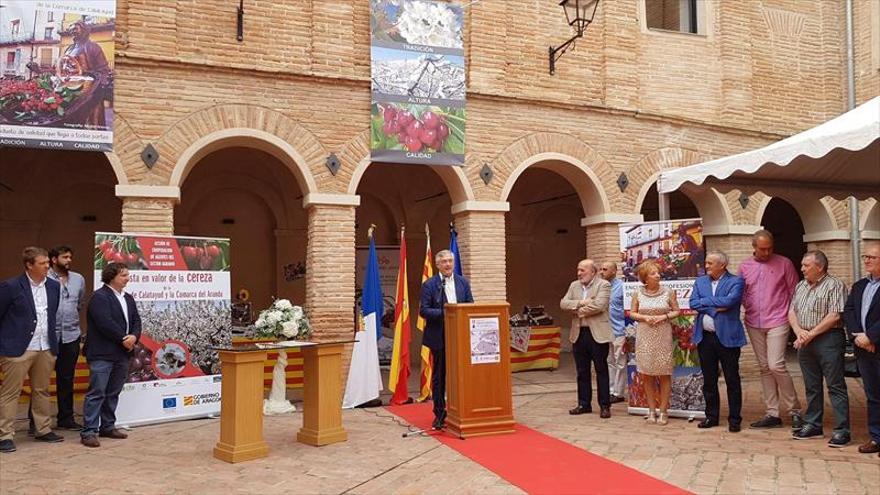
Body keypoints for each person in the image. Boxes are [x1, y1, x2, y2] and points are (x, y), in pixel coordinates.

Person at [0, 247, 64, 453]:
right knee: (10, 393)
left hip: (45, 346)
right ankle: (5, 435)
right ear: (29, 265)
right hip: (17, 348)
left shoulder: (54, 287)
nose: (48, 266)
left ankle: (43, 429)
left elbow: (51, 315)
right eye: (43, 263)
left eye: (48, 262)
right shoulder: (10, 286)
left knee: (42, 390)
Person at [738, 229, 803, 430]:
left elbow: (795, 292)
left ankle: (795, 410)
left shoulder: (784, 263)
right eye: (762, 249)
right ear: (754, 247)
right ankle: (772, 413)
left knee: (776, 365)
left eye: (770, 249)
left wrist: (795, 322)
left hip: (779, 320)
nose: (766, 253)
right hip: (753, 322)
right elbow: (741, 293)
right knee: (764, 367)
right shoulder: (744, 266)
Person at [789, 250, 849, 447]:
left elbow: (834, 316)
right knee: (811, 385)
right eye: (802, 265)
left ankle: (842, 430)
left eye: (806, 265)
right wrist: (799, 332)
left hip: (828, 339)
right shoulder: (800, 285)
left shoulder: (835, 285)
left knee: (835, 385)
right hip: (805, 338)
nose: (802, 269)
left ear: (820, 267)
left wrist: (811, 334)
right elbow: (792, 312)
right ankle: (813, 424)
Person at [81, 262, 141, 448]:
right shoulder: (100, 297)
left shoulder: (128, 298)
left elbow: (136, 320)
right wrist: (123, 338)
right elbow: (104, 322)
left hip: (122, 353)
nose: (127, 278)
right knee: (97, 392)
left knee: (113, 392)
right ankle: (89, 431)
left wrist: (134, 336)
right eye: (123, 275)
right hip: (102, 353)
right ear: (112, 276)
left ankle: (107, 426)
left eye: (127, 275)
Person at [27, 246, 86, 434]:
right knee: (40, 381)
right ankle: (35, 423)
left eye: (70, 257)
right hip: (48, 336)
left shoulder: (78, 279)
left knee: (67, 378)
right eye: (65, 257)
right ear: (53, 259)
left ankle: (66, 419)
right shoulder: (44, 278)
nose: (69, 260)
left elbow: (79, 303)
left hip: (71, 335)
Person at [689, 251, 746, 432]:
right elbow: (693, 303)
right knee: (709, 380)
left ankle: (735, 419)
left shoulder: (736, 281)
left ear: (722, 265)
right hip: (705, 338)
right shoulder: (700, 282)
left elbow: (730, 301)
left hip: (728, 337)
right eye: (706, 263)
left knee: (732, 379)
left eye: (710, 263)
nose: (706, 266)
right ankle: (711, 416)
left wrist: (706, 303)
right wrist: (715, 308)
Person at [418, 250, 473, 430]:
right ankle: (440, 414)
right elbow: (424, 311)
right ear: (438, 265)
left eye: (450, 261)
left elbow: (470, 305)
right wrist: (447, 313)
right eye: (444, 262)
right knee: (440, 377)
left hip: (461, 337)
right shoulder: (430, 285)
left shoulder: (463, 282)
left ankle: (463, 411)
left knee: (462, 375)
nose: (448, 265)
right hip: (439, 337)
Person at [629, 260, 680, 426]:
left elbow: (677, 311)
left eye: (658, 272)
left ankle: (663, 411)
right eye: (653, 273)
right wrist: (644, 318)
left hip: (663, 334)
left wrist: (663, 317)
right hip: (644, 335)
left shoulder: (668, 292)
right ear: (645, 278)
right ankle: (651, 410)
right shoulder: (638, 293)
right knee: (647, 373)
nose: (657, 275)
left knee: (664, 373)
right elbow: (632, 313)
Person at [561, 259, 613, 418]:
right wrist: (582, 302)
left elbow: (599, 305)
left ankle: (605, 405)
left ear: (593, 271)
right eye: (578, 270)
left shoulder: (603, 285)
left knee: (601, 370)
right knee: (582, 371)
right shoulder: (574, 285)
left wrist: (577, 310)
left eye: (582, 270)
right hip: (579, 333)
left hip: (597, 333)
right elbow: (563, 303)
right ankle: (584, 404)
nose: (579, 273)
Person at [843, 243, 880, 457]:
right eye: (865, 256)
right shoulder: (859, 286)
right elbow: (849, 310)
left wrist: (872, 336)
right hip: (864, 348)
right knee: (873, 395)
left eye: (871, 257)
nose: (866, 260)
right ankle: (876, 437)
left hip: (876, 343)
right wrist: (858, 335)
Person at [600, 261, 627, 403]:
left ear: (614, 271)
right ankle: (610, 390)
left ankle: (619, 393)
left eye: (605, 269)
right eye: (601, 269)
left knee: (620, 362)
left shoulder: (622, 287)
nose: (601, 272)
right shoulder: (600, 287)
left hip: (619, 331)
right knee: (609, 361)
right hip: (604, 331)